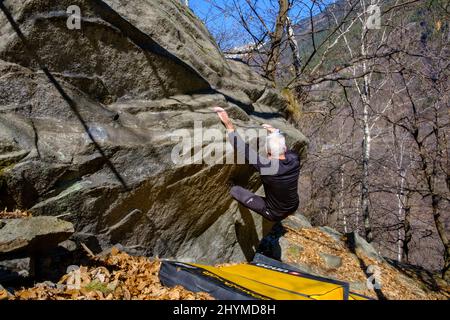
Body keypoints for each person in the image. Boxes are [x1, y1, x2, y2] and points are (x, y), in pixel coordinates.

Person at [213, 107, 300, 222]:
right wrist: (275, 132)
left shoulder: (268, 167)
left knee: (235, 190)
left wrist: (228, 124)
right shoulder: (295, 159)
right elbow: (284, 148)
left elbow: (241, 147)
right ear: (284, 149)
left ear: (269, 153)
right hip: (294, 205)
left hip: (274, 213)